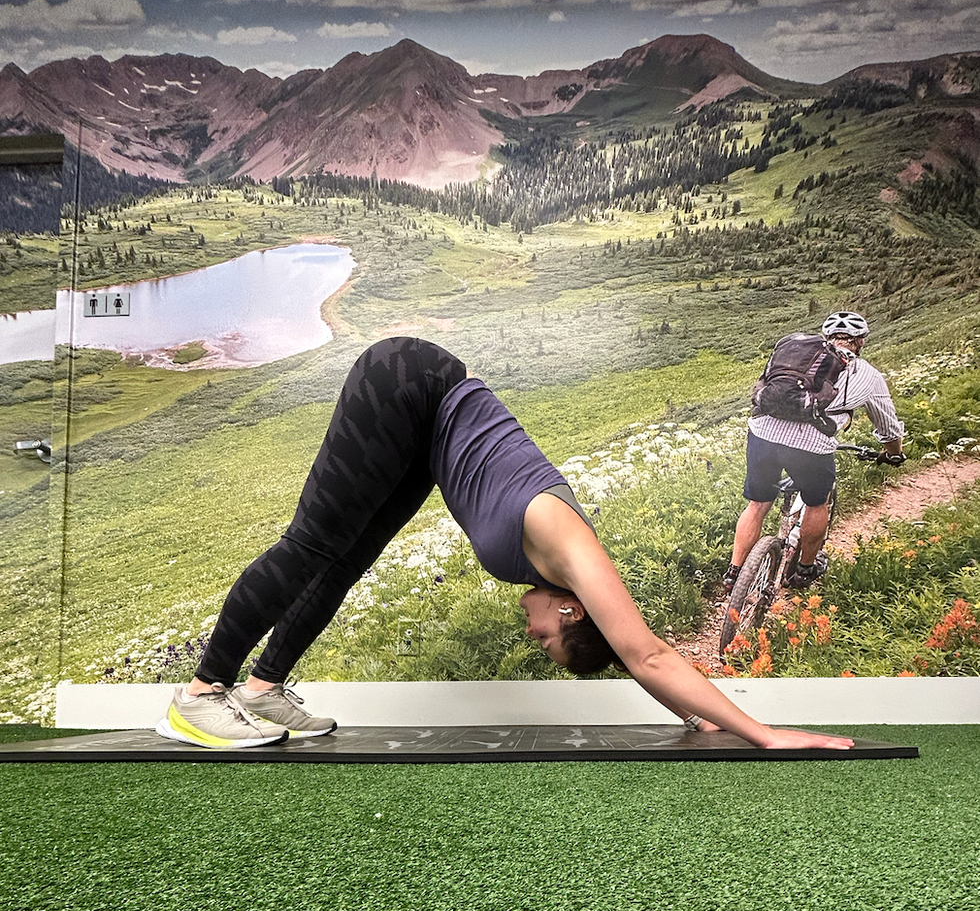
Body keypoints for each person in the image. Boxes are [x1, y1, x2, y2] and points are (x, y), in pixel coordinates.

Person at [157, 337, 854, 752]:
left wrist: (694, 718)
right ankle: (201, 691)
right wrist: (761, 733)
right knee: (312, 543)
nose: (535, 635)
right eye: (550, 642)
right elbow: (647, 650)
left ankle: (266, 685)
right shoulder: (569, 548)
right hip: (408, 384)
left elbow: (629, 658)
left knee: (347, 561)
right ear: (571, 611)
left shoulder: (567, 577)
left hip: (425, 435)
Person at [723, 312, 905, 593]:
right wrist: (893, 453)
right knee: (817, 503)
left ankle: (734, 573)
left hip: (762, 434)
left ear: (826, 336)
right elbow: (888, 427)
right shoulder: (868, 374)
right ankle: (805, 570)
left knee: (758, 504)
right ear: (860, 341)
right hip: (812, 445)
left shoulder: (799, 354)